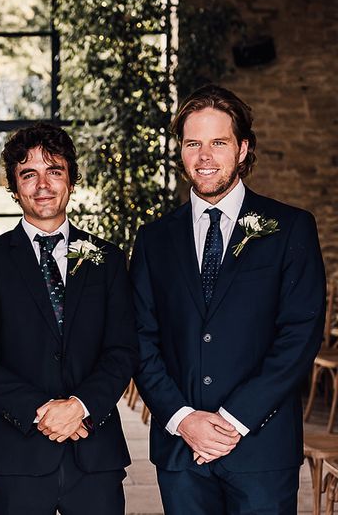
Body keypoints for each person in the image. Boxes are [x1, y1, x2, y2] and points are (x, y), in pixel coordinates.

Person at [132, 84, 326, 514]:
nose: (205, 156)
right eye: (193, 143)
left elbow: (299, 335)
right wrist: (183, 419)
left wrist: (232, 421)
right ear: (181, 152)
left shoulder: (290, 228)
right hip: (181, 451)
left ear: (242, 149)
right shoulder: (153, 240)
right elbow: (140, 337)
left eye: (218, 142)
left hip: (262, 448)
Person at [0, 123, 139, 515]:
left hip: (96, 453)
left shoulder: (106, 259)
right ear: (13, 185)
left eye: (54, 171)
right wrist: (44, 412)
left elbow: (122, 350)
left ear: (71, 180)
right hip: (18, 455)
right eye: (29, 174)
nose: (43, 184)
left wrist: (80, 406)